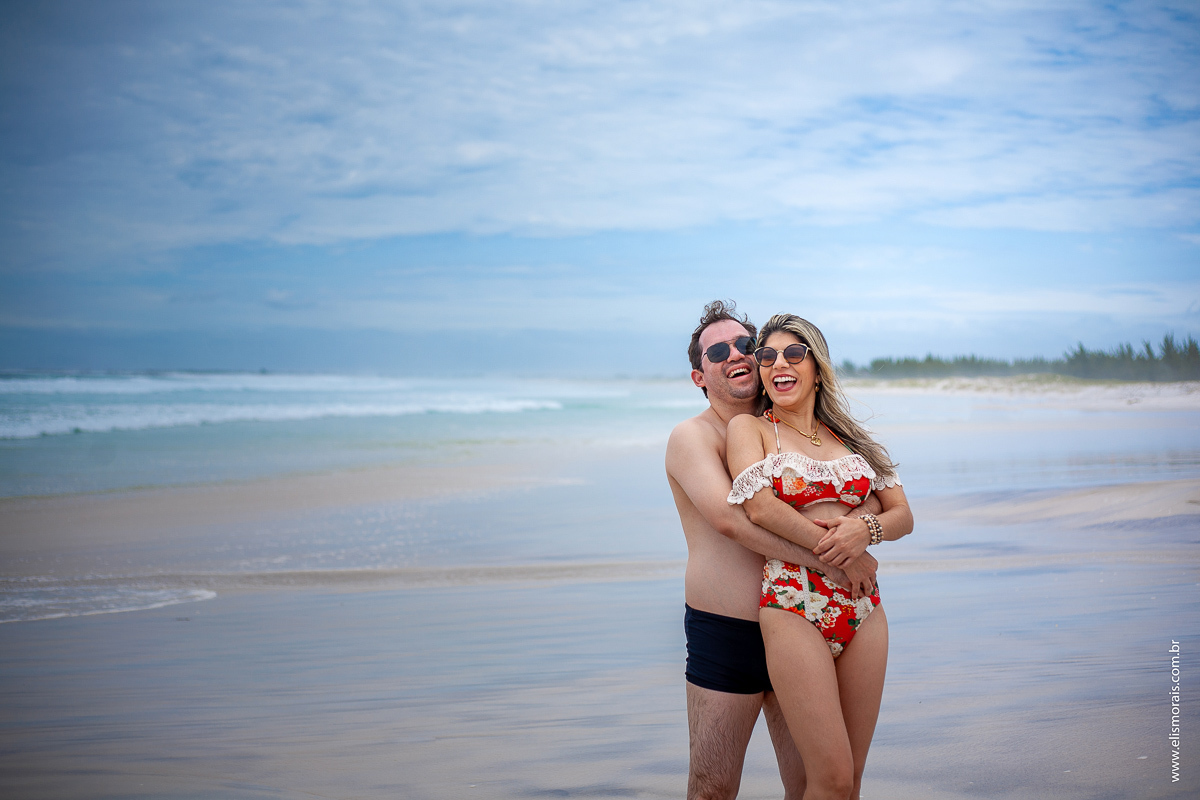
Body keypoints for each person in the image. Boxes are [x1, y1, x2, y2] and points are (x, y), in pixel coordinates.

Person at [666, 301, 881, 800]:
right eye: (717, 351)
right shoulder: (692, 436)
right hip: (729, 634)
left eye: (745, 345)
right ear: (700, 375)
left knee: (814, 783)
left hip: (803, 622)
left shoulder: (786, 430)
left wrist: (865, 529)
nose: (734, 355)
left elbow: (855, 488)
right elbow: (731, 520)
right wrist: (837, 557)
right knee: (713, 788)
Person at [725, 313, 913, 800]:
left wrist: (864, 531)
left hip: (864, 608)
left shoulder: (851, 439)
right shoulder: (753, 430)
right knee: (826, 779)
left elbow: (902, 515)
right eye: (766, 357)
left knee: (850, 782)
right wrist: (839, 554)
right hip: (793, 605)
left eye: (792, 353)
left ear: (817, 366)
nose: (777, 365)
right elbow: (759, 507)